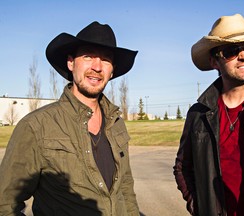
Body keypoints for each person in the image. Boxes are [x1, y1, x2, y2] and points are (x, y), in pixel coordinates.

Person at [0, 21, 140, 216]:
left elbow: (125, 189)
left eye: (106, 59)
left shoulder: (116, 123)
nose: (97, 67)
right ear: (71, 62)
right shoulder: (36, 126)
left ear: (112, 70)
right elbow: (5, 203)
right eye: (88, 56)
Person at [173, 13, 244, 216]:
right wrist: (197, 204)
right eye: (231, 51)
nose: (243, 56)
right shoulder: (198, 114)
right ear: (215, 62)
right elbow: (182, 167)